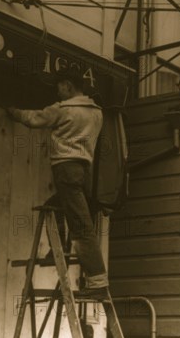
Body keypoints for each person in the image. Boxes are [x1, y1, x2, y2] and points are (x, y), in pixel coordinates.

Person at [7, 71, 108, 298]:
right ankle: (58, 249)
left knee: (81, 226)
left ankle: (98, 281)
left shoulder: (63, 110)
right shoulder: (97, 114)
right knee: (56, 206)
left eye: (60, 88)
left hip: (66, 169)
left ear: (68, 85)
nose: (58, 92)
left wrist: (13, 112)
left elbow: (34, 118)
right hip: (85, 171)